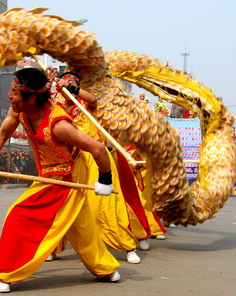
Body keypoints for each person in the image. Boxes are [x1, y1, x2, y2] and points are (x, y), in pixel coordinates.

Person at [0, 68, 120, 293]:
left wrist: (105, 180)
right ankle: (106, 269)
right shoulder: (20, 110)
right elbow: (3, 133)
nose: (10, 96)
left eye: (15, 92)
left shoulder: (58, 125)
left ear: (32, 97)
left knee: (20, 215)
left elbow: (98, 149)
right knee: (81, 226)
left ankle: (4, 275)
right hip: (49, 173)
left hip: (67, 175)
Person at [48, 69, 147, 264]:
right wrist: (49, 84)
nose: (66, 86)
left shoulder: (86, 102)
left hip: (95, 157)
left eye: (72, 83)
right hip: (70, 159)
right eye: (64, 81)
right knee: (64, 205)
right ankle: (53, 247)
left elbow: (94, 100)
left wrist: (69, 87)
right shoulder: (56, 103)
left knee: (107, 205)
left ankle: (127, 246)